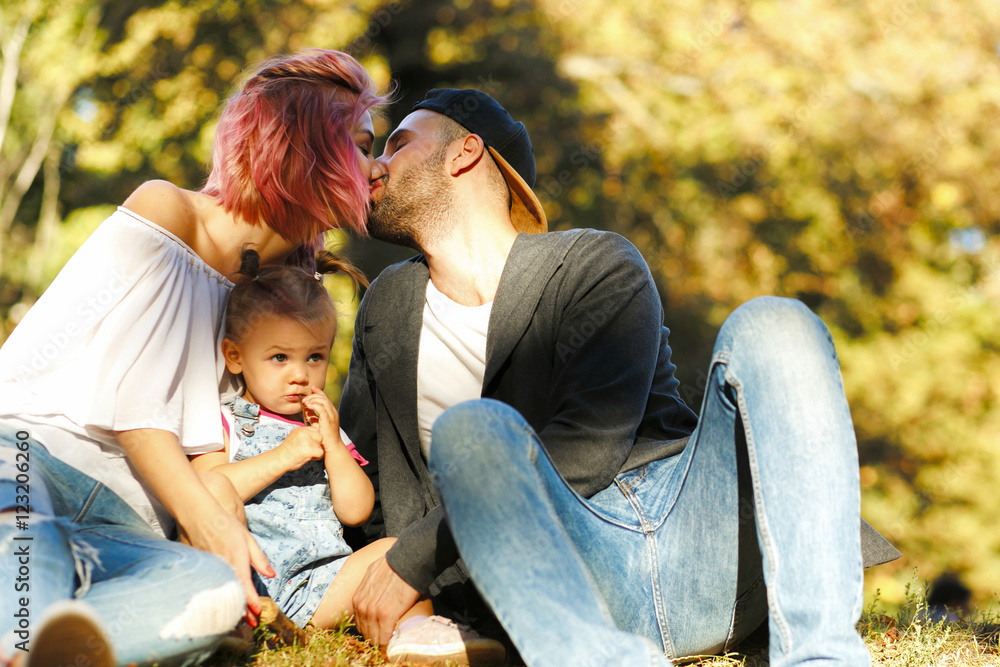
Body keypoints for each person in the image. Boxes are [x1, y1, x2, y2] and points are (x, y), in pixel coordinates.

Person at [340, 88, 901, 666]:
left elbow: (589, 442)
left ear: (464, 153)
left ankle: (822, 655)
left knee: (775, 323)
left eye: (398, 143)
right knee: (472, 429)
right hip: (564, 580)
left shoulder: (592, 260)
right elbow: (367, 468)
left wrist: (418, 551)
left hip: (697, 537)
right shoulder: (388, 307)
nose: (374, 164)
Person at [0, 49, 384, 666]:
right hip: (27, 457)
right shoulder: (167, 213)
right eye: (362, 145)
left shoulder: (277, 300)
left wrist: (220, 551)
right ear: (304, 145)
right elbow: (138, 412)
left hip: (131, 521)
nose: (377, 165)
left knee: (208, 595)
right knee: (23, 533)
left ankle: (46, 646)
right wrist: (209, 523)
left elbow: (211, 454)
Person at [190, 248, 505, 665]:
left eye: (314, 357)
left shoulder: (322, 426)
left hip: (323, 583)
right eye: (279, 358)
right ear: (235, 356)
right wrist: (284, 456)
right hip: (251, 583)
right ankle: (238, 625)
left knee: (395, 550)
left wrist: (335, 449)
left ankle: (416, 637)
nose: (299, 374)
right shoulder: (224, 421)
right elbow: (207, 491)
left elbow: (355, 511)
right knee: (209, 488)